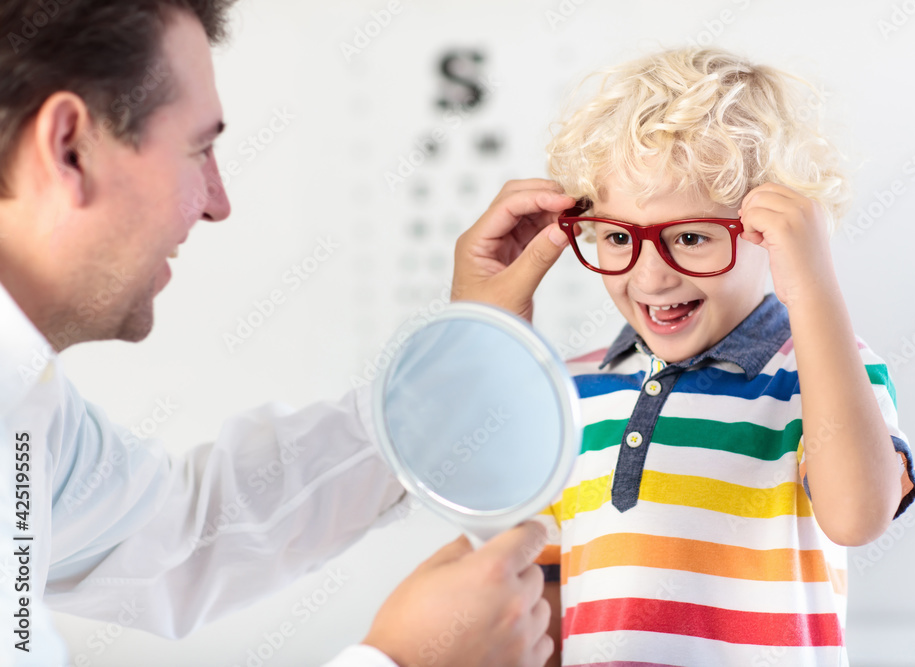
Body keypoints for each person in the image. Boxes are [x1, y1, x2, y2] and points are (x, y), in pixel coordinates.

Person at [0, 1, 576, 665]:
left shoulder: (26, 405)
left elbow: (177, 536)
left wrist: (457, 371)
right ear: (69, 147)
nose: (218, 202)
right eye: (199, 149)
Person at [495, 48, 915, 666]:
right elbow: (544, 596)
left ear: (774, 237)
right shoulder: (569, 387)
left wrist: (814, 289)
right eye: (618, 237)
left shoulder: (824, 373)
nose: (651, 277)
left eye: (691, 237)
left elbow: (857, 517)